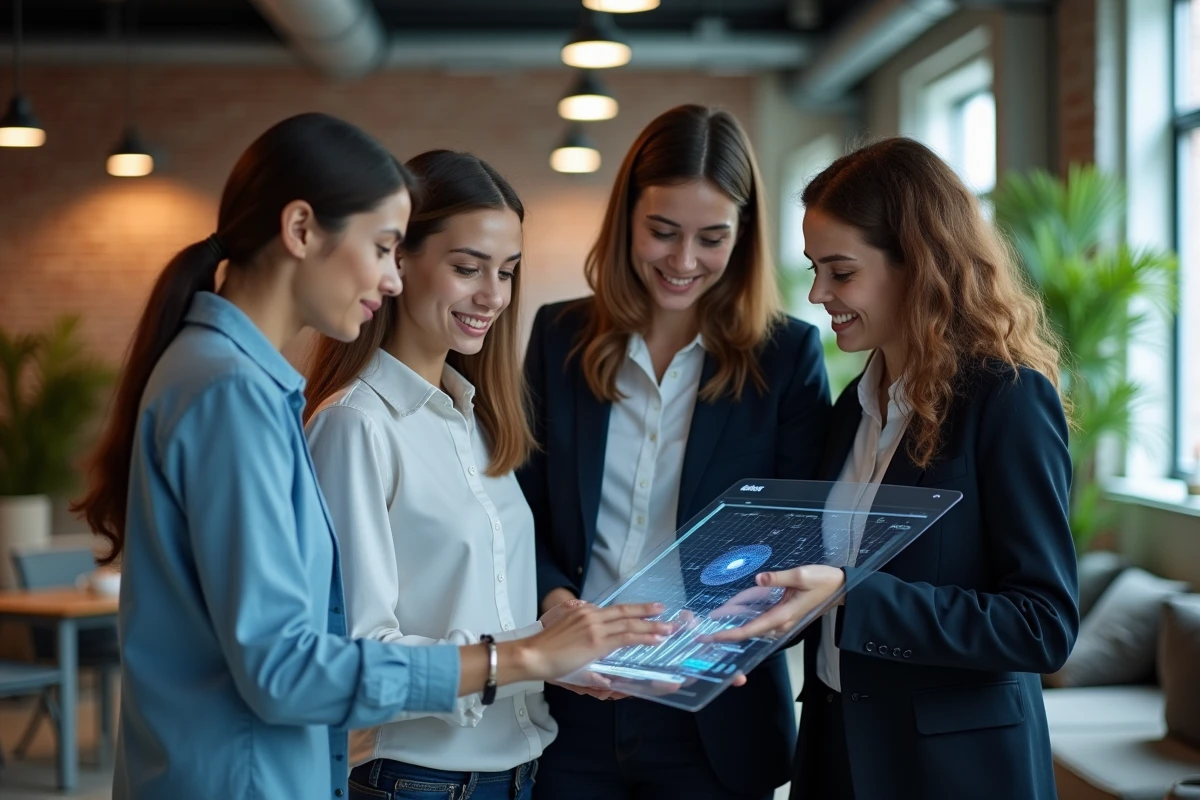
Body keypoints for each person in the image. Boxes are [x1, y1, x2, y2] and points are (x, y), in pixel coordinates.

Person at [71, 114, 672, 800]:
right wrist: (521, 656)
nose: (387, 279)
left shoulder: (250, 385)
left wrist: (547, 655)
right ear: (301, 231)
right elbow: (289, 667)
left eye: (505, 273)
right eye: (384, 248)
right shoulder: (239, 393)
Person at [709, 137, 1079, 800]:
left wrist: (852, 592)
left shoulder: (1008, 398)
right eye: (814, 268)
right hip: (834, 750)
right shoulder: (853, 405)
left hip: (956, 774)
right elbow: (816, 575)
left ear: (915, 262)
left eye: (840, 271)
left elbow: (1041, 626)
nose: (818, 292)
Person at [518, 104, 831, 800]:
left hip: (714, 714)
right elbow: (522, 505)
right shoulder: (558, 337)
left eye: (711, 238)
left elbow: (806, 535)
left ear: (743, 235)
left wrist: (730, 628)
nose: (684, 262)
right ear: (627, 216)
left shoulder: (787, 357)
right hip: (570, 700)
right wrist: (554, 605)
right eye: (662, 232)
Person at [304, 150, 568, 800]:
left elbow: (489, 612)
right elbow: (360, 654)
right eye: (466, 268)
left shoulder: (476, 422)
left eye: (506, 272)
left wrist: (569, 652)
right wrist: (529, 656)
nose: (493, 296)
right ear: (397, 261)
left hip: (518, 771)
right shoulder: (355, 426)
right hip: (416, 781)